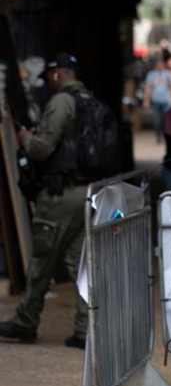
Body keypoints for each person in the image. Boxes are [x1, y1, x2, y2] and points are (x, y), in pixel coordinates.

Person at [0, 53, 95, 349]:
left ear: (58, 74)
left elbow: (41, 149)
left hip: (60, 194)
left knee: (42, 258)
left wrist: (26, 138)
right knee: (78, 262)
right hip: (86, 192)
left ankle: (26, 322)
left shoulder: (62, 102)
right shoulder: (89, 99)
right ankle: (83, 329)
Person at [142, 57, 171, 144]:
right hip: (156, 100)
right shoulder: (152, 74)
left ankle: (166, 136)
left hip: (166, 101)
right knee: (157, 121)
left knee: (166, 120)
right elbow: (148, 87)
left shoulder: (167, 74)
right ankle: (158, 136)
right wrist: (146, 99)